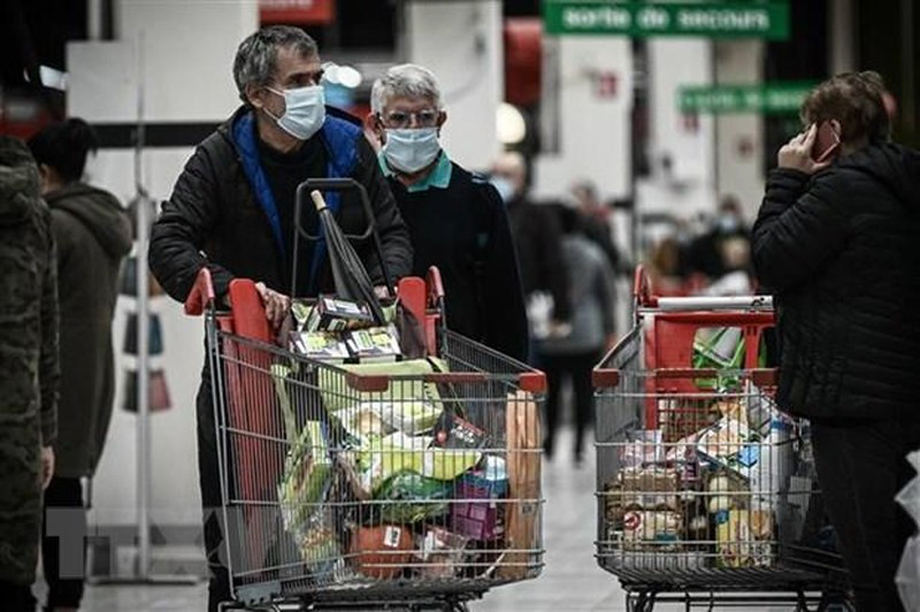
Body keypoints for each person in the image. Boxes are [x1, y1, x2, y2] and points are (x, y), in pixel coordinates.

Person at [148, 26, 412, 611]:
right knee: (242, 507)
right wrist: (232, 287)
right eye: (297, 81)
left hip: (340, 368)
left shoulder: (347, 146)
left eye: (315, 78)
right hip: (246, 365)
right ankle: (235, 595)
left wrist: (377, 283)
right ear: (255, 93)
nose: (312, 91)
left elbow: (390, 234)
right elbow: (169, 242)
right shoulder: (220, 158)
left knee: (344, 512)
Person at [752, 71, 920, 612]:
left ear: (829, 130)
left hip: (850, 403)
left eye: (808, 129)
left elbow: (771, 260)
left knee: (870, 569)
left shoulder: (841, 191)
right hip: (903, 397)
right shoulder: (904, 180)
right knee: (901, 557)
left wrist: (786, 179)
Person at [28, 118, 133, 612]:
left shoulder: (53, 224)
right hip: (92, 371)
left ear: (44, 171)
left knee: (44, 491)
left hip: (46, 374)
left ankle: (48, 592)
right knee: (67, 489)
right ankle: (67, 597)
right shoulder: (104, 220)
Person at [367, 64, 528, 361]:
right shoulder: (358, 195)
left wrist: (511, 380)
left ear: (440, 120)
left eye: (425, 117)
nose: (414, 128)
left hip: (461, 366)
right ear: (377, 126)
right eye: (399, 118)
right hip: (376, 366)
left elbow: (504, 296)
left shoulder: (479, 197)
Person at [0, 136, 60, 611]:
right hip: (30, 402)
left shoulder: (66, 222)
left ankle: (70, 591)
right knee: (71, 498)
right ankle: (69, 594)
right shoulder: (42, 216)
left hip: (37, 399)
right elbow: (48, 320)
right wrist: (47, 430)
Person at [537, 204, 615, 464]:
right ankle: (580, 444)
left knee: (553, 393)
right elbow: (606, 294)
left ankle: (549, 443)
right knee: (584, 392)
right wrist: (609, 329)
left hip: (553, 334)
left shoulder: (549, 254)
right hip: (587, 334)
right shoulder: (593, 254)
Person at [490, 152, 570, 356]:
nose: (500, 181)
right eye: (496, 174)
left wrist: (561, 310)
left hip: (528, 306)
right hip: (491, 307)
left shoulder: (538, 215)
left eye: (506, 175)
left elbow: (554, 262)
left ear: (521, 177)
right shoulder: (485, 212)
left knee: (526, 368)